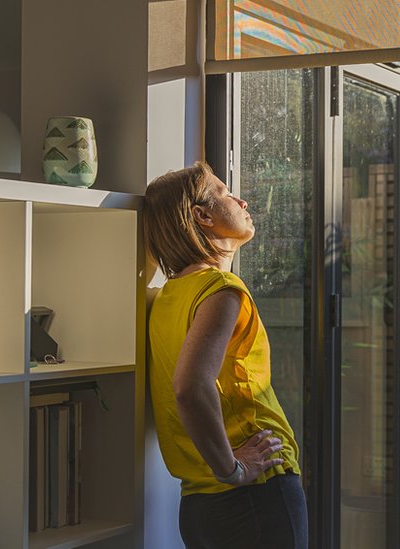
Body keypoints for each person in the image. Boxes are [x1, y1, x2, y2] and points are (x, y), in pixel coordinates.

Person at [144, 161, 306, 548]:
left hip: (202, 503)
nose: (242, 200)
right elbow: (190, 386)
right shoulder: (221, 288)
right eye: (224, 192)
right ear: (202, 216)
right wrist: (232, 470)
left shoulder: (168, 295)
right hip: (255, 493)